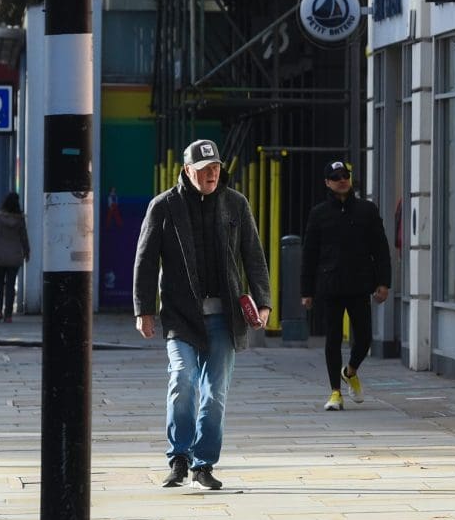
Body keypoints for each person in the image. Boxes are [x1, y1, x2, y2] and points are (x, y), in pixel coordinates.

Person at [134, 139, 271, 491]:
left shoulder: (235, 204)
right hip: (181, 315)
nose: (212, 174)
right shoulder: (163, 207)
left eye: (215, 168)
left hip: (225, 317)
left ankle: (203, 463)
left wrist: (263, 301)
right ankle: (178, 457)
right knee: (183, 381)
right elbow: (146, 260)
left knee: (215, 393)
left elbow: (253, 255)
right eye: (204, 169)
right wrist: (144, 310)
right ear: (187, 170)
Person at [301, 158, 390, 411]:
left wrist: (383, 282)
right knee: (332, 339)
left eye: (345, 176)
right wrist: (306, 291)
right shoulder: (319, 214)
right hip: (329, 286)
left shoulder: (367, 210)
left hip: (360, 285)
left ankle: (350, 371)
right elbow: (310, 253)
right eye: (337, 177)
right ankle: (335, 392)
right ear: (328, 183)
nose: (342, 181)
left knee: (364, 338)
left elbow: (380, 248)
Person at [0, 192, 29, 322]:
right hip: (14, 256)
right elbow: (24, 237)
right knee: (10, 286)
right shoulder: (19, 219)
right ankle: (8, 314)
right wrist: (27, 252)